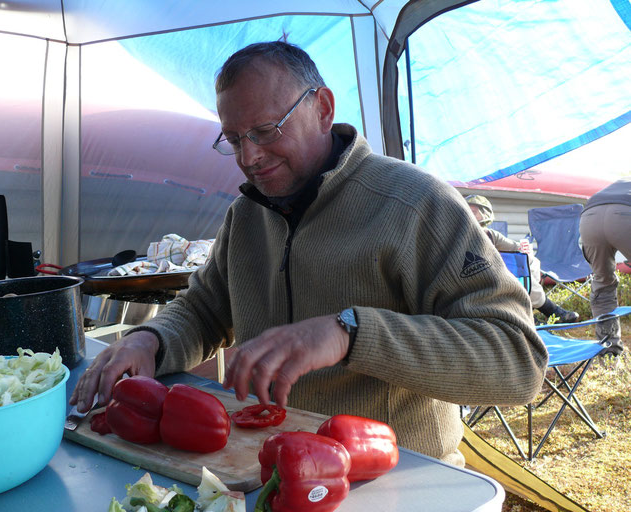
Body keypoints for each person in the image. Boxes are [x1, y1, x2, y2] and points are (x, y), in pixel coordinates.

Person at [71, 41, 547, 466]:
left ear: (321, 107)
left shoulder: (416, 204)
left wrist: (350, 334)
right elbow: (203, 310)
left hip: (392, 479)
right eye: (234, 139)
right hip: (268, 465)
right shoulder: (247, 215)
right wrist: (149, 340)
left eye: (265, 131)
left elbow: (517, 361)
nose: (249, 158)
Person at [465, 195, 579, 324]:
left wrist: (525, 250)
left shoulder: (490, 234)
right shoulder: (461, 234)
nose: (470, 214)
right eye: (467, 210)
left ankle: (531, 310)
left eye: (474, 212)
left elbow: (517, 248)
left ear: (484, 214)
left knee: (531, 262)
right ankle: (549, 312)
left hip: (494, 276)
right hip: (473, 279)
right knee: (520, 278)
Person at [579, 178, 631, 355]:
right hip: (625, 214)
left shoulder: (620, 183)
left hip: (589, 217)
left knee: (603, 282)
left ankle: (609, 351)